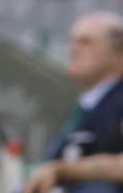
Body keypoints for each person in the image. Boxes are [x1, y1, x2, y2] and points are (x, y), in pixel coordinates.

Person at [24, 12, 123, 193]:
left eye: (86, 42)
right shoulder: (87, 104)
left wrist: (61, 170)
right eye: (72, 41)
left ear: (118, 55)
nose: (73, 49)